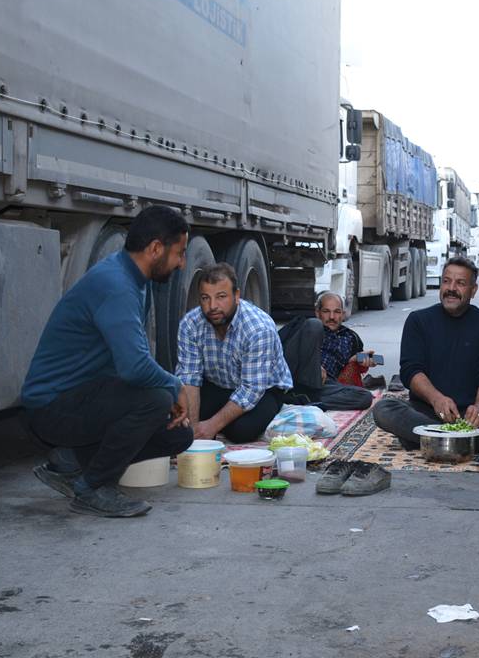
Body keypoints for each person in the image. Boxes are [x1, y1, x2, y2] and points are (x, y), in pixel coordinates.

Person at [21, 206, 193, 518]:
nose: (182, 264)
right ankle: (92, 488)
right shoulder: (116, 285)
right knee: (156, 400)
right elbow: (133, 367)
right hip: (52, 406)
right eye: (179, 253)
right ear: (156, 248)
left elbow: (130, 362)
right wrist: (174, 385)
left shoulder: (134, 279)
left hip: (83, 396)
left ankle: (69, 461)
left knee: (179, 435)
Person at [371, 258, 479, 454]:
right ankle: (470, 441)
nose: (451, 288)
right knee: (384, 409)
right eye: (446, 281)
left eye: (460, 283)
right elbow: (411, 370)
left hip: (471, 416)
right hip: (427, 411)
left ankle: (427, 438)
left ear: (473, 290)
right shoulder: (418, 320)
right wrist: (437, 399)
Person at [175, 263, 294, 443]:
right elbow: (189, 378)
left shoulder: (258, 328)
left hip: (264, 390)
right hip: (218, 385)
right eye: (205, 298)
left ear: (236, 296)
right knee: (177, 416)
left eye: (221, 297)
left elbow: (251, 390)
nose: (212, 306)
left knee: (241, 432)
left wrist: (211, 426)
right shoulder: (190, 324)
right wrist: (192, 431)